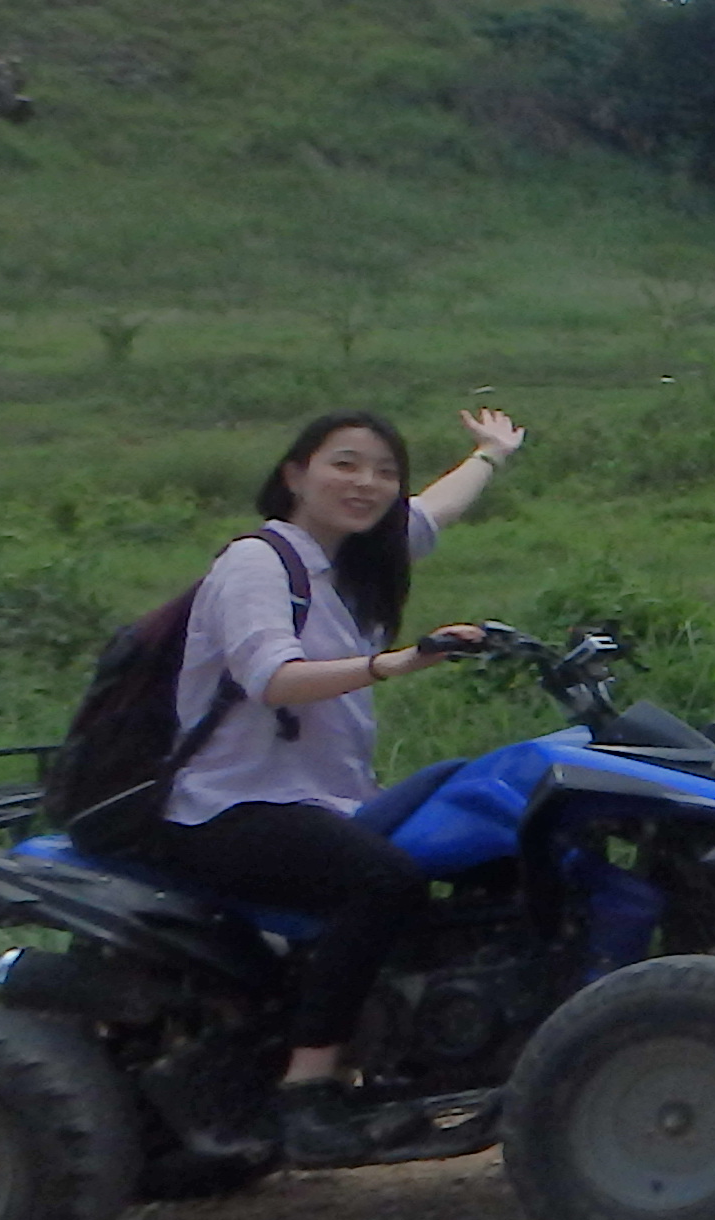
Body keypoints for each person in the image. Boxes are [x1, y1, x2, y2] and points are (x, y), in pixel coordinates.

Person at [133, 406, 526, 1166]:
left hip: (320, 802)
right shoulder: (257, 563)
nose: (367, 483)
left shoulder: (349, 561)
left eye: (383, 470)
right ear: (295, 474)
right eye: (344, 464)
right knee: (383, 882)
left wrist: (492, 455)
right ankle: (311, 1090)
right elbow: (272, 679)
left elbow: (433, 511)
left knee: (479, 812)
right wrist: (394, 663)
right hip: (229, 806)